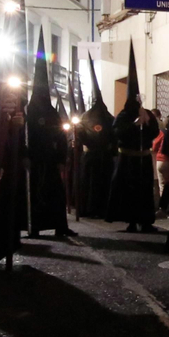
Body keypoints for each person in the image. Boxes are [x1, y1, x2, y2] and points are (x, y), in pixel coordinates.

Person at [22, 42, 73, 239]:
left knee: (56, 195)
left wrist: (62, 158)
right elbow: (24, 134)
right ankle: (33, 226)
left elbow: (61, 135)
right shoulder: (28, 110)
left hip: (51, 161)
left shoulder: (52, 112)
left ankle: (60, 226)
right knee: (35, 194)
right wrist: (24, 155)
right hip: (35, 161)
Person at [107, 46, 160, 232]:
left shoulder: (146, 113)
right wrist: (134, 125)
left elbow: (154, 132)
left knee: (144, 191)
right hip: (127, 159)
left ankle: (145, 221)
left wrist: (147, 123)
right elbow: (117, 132)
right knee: (128, 191)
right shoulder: (123, 115)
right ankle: (130, 221)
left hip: (143, 157)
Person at [75, 54, 115, 221]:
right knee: (99, 183)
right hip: (100, 157)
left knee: (91, 183)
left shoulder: (87, 117)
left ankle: (89, 208)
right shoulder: (108, 117)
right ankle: (99, 208)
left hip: (93, 156)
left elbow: (80, 135)